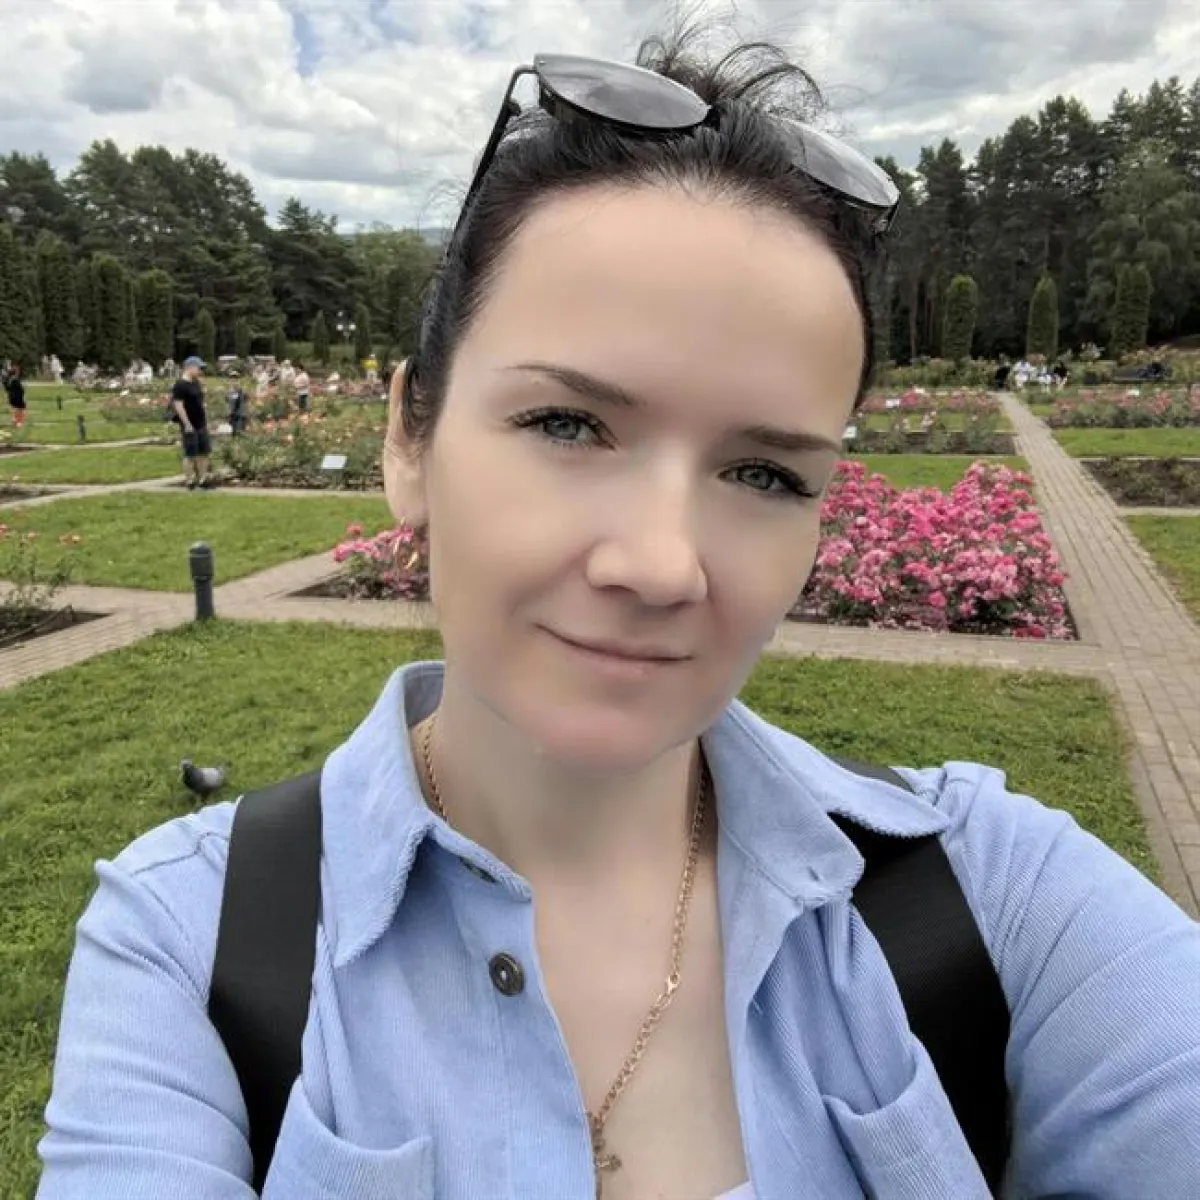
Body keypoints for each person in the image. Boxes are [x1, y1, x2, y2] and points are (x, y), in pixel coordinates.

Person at [36, 30, 1199, 1200]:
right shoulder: (190, 942)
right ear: (408, 438)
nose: (659, 565)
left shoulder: (999, 899)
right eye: (568, 425)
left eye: (764, 474)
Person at [171, 356, 212, 490]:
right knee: (190, 453)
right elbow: (178, 405)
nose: (200, 371)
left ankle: (203, 479)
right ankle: (189, 481)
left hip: (201, 422)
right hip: (189, 423)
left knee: (203, 452)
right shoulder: (180, 385)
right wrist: (186, 423)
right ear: (190, 367)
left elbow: (200, 402)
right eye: (199, 368)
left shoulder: (196, 383)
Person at [5, 362, 27, 429]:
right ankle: (18, 422)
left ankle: (14, 419)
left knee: (16, 409)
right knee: (22, 409)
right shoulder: (16, 380)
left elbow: (7, 388)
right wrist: (23, 390)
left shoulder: (9, 380)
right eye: (18, 371)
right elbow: (21, 389)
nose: (19, 372)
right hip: (17, 397)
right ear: (16, 372)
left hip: (11, 397)